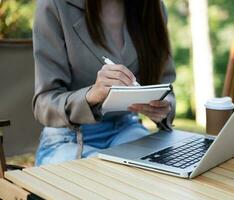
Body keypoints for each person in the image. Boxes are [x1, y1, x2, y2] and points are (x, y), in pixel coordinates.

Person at [33, 0, 176, 166]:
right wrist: (90, 96)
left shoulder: (152, 7)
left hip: (126, 129)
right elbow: (43, 104)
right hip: (67, 138)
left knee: (160, 172)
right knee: (107, 179)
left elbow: (167, 89)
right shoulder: (54, 5)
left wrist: (164, 107)